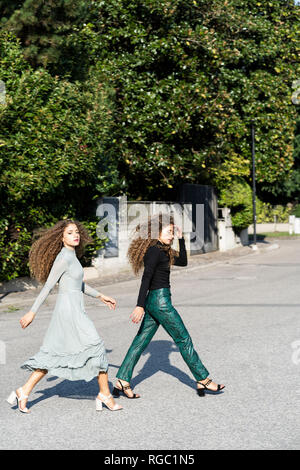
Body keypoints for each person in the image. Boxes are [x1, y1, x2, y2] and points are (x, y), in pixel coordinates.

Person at [6, 219, 122, 413]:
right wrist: (32, 311)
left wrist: (101, 296)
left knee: (55, 355)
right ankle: (105, 395)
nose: (75, 235)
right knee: (97, 349)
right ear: (61, 237)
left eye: (76, 231)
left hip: (75, 310)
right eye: (70, 233)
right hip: (68, 313)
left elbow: (78, 284)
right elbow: (48, 286)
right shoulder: (63, 258)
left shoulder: (72, 256)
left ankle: (23, 391)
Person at [113, 213, 225, 399]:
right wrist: (139, 305)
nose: (171, 235)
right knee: (183, 339)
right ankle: (203, 379)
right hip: (160, 302)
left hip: (157, 301)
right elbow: (146, 277)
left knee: (140, 341)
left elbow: (183, 261)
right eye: (169, 231)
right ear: (157, 231)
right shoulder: (154, 251)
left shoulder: (163, 249)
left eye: (173, 232)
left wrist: (181, 239)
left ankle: (122, 381)